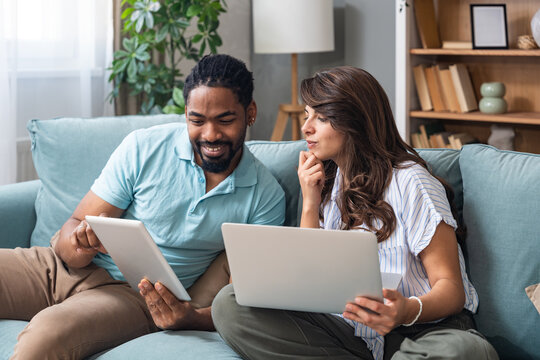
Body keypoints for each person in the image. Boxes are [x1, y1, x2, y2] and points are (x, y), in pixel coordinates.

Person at [0, 54, 286, 359]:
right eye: (197, 120)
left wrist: (189, 317)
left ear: (250, 113)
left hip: (130, 296)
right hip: (56, 269)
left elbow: (243, 306)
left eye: (225, 120)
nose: (210, 134)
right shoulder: (144, 147)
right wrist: (79, 242)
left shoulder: (264, 197)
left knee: (43, 339)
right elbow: (72, 231)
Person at [212, 66, 499, 360]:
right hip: (357, 339)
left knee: (464, 351)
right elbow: (308, 284)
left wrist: (404, 311)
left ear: (356, 123)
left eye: (321, 118)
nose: (306, 127)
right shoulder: (325, 182)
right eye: (307, 115)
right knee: (231, 303)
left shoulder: (412, 182)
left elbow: (451, 290)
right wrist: (310, 201)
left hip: (424, 331)